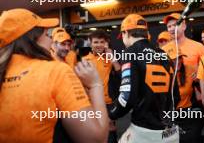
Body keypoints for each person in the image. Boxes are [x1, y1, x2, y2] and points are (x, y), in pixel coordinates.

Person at [0, 9, 108, 143]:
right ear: (33, 38)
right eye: (47, 35)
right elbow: (95, 139)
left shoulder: (66, 61)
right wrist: (95, 85)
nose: (50, 41)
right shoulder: (55, 70)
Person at [108, 14, 180, 143]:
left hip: (145, 133)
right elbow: (176, 96)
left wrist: (110, 114)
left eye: (122, 36)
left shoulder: (130, 52)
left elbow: (126, 98)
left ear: (125, 32)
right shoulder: (163, 54)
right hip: (171, 132)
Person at [83, 29, 121, 143]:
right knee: (92, 136)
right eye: (95, 42)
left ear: (106, 43)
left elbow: (122, 75)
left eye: (101, 42)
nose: (99, 45)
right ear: (90, 43)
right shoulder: (85, 60)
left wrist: (112, 58)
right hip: (91, 105)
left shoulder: (110, 59)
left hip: (108, 104)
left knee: (110, 136)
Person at [162, 43, 203, 143]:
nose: (178, 61)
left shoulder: (190, 69)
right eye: (174, 59)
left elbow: (203, 92)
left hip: (188, 113)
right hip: (169, 116)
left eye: (179, 57)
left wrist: (199, 81)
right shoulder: (162, 73)